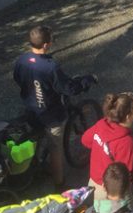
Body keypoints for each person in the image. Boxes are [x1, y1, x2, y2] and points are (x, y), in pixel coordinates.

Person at [13, 26, 95, 187]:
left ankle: (35, 167)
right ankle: (59, 182)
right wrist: (86, 81)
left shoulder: (21, 61)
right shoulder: (51, 67)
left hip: (31, 110)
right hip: (51, 115)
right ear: (45, 45)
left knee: (35, 137)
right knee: (55, 147)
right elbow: (68, 88)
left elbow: (17, 79)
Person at [82, 92, 133, 201]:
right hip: (111, 190)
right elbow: (129, 175)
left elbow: (85, 140)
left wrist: (102, 150)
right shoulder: (126, 142)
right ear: (128, 117)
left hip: (94, 180)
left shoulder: (102, 124)